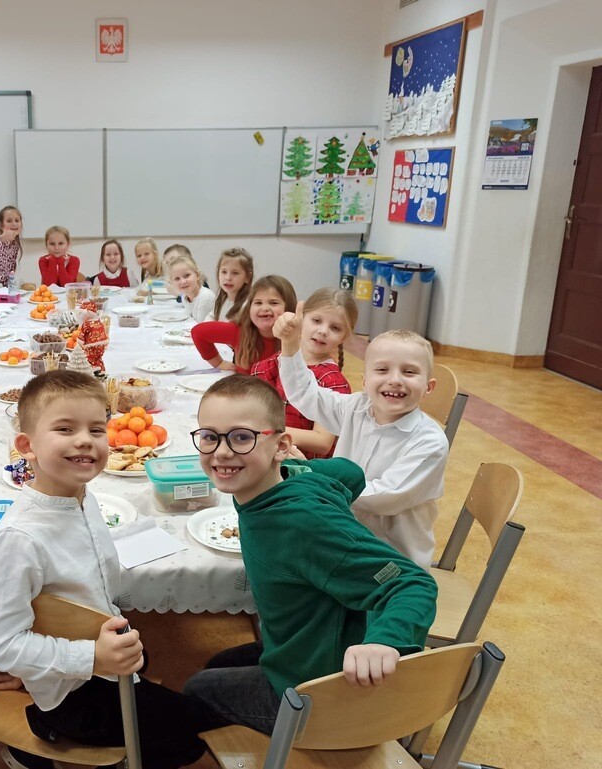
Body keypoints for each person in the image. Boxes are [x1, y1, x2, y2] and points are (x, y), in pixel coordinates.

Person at [0, 371, 221, 769]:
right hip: (73, 695)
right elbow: (3, 645)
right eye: (64, 429)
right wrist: (91, 657)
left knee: (153, 670)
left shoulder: (83, 496)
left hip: (94, 650)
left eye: (96, 428)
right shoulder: (19, 540)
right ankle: (44, 725)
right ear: (26, 446)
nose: (85, 440)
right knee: (190, 738)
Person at [183, 375, 437, 734]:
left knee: (197, 689)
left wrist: (384, 641)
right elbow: (349, 472)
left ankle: (291, 747)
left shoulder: (302, 524)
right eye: (210, 437)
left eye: (241, 438)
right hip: (305, 644)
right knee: (218, 663)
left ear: (281, 445)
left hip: (321, 690)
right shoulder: (287, 477)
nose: (222, 452)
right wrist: (301, 469)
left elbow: (409, 583)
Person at [276, 314, 448, 569]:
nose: (395, 379)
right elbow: (305, 394)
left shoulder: (430, 441)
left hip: (391, 560)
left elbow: (386, 497)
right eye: (382, 369)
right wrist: (290, 344)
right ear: (365, 382)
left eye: (409, 372)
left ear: (428, 387)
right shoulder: (356, 407)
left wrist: (312, 474)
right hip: (342, 539)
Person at [251, 288, 356, 459]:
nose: (323, 331)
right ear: (302, 318)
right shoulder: (279, 360)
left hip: (303, 465)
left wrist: (265, 431)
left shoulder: (333, 381)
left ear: (343, 337)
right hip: (269, 453)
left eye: (335, 328)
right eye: (316, 320)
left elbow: (322, 442)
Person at [191, 276, 296, 372]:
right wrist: (218, 363)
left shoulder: (298, 337)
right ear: (249, 307)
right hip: (245, 386)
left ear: (289, 307)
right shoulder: (239, 331)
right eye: (258, 303)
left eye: (273, 303)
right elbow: (198, 332)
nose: (264, 308)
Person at [207, 247, 254, 322]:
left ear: (247, 277)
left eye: (235, 273)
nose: (228, 278)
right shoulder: (222, 297)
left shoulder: (247, 305)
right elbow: (211, 316)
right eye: (224, 272)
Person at [168, 254, 216, 322]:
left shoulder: (206, 297)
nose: (183, 281)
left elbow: (202, 326)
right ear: (172, 282)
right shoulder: (185, 296)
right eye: (177, 279)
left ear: (197, 275)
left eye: (187, 276)